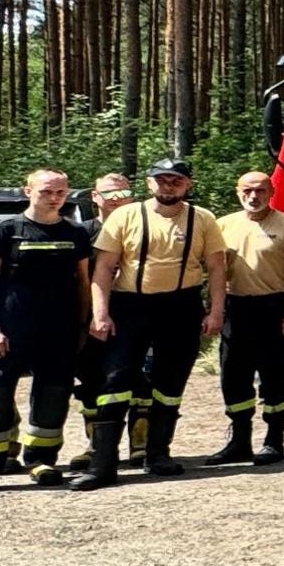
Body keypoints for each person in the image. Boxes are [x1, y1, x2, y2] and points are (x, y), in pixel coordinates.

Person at [80, 159, 228, 489]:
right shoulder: (125, 216)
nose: (168, 186)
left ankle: (157, 454)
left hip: (181, 307)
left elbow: (217, 268)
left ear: (188, 184)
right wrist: (100, 313)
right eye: (160, 180)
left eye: (175, 181)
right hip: (130, 307)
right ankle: (103, 465)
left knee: (169, 384)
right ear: (149, 185)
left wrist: (216, 311)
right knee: (115, 382)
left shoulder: (203, 219)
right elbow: (102, 269)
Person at [0, 169, 91, 492]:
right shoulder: (4, 230)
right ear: (27, 190)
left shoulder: (75, 232)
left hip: (59, 332)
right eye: (46, 191)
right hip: (10, 332)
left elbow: (83, 284)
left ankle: (40, 459)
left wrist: (83, 326)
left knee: (54, 394)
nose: (54, 197)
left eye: (60, 192)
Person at [206, 172, 284, 467]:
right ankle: (239, 441)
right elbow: (214, 270)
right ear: (238, 192)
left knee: (274, 377)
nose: (254, 196)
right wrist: (213, 309)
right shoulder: (223, 225)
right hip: (235, 307)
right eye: (248, 191)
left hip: (274, 307)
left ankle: (274, 440)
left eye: (261, 190)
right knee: (233, 377)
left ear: (272, 191)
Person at [71, 173, 141, 471]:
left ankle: (141, 445)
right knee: (91, 383)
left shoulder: (142, 227)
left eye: (123, 194)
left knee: (141, 381)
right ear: (94, 198)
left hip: (134, 315)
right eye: (109, 195)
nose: (117, 200)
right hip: (89, 319)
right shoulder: (80, 233)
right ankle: (96, 445)